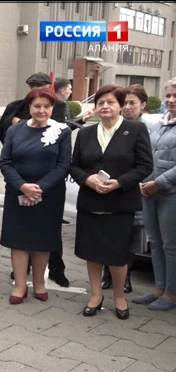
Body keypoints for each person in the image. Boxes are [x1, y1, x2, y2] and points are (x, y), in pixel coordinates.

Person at [70, 84, 153, 320]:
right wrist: (87, 179)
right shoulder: (85, 133)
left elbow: (146, 166)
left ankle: (119, 296)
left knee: (117, 255)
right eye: (100, 102)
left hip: (120, 203)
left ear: (120, 106)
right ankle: (95, 295)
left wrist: (119, 182)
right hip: (91, 201)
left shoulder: (135, 130)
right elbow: (74, 165)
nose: (105, 106)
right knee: (92, 252)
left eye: (111, 102)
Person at [0, 88, 72, 304]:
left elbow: (63, 165)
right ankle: (20, 285)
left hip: (49, 194)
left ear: (52, 108)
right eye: (37, 106)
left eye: (47, 106)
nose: (42, 110)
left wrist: (37, 189)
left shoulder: (62, 131)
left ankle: (39, 283)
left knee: (42, 240)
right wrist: (23, 186)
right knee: (19, 240)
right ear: (29, 107)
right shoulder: (15, 131)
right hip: (17, 192)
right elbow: (6, 162)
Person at [102, 84, 159, 292]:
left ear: (143, 105)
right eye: (124, 102)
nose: (127, 107)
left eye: (132, 103)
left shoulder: (150, 129)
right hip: (108, 188)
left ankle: (125, 278)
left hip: (136, 189)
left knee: (130, 237)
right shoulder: (111, 124)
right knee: (108, 234)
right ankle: (107, 274)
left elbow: (149, 161)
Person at [132, 80, 176, 311]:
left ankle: (171, 293)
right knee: (156, 244)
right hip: (150, 192)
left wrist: (158, 183)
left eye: (175, 96)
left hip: (170, 194)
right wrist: (142, 179)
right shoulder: (159, 124)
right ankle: (159, 289)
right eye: (168, 95)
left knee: (171, 246)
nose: (170, 100)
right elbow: (148, 156)